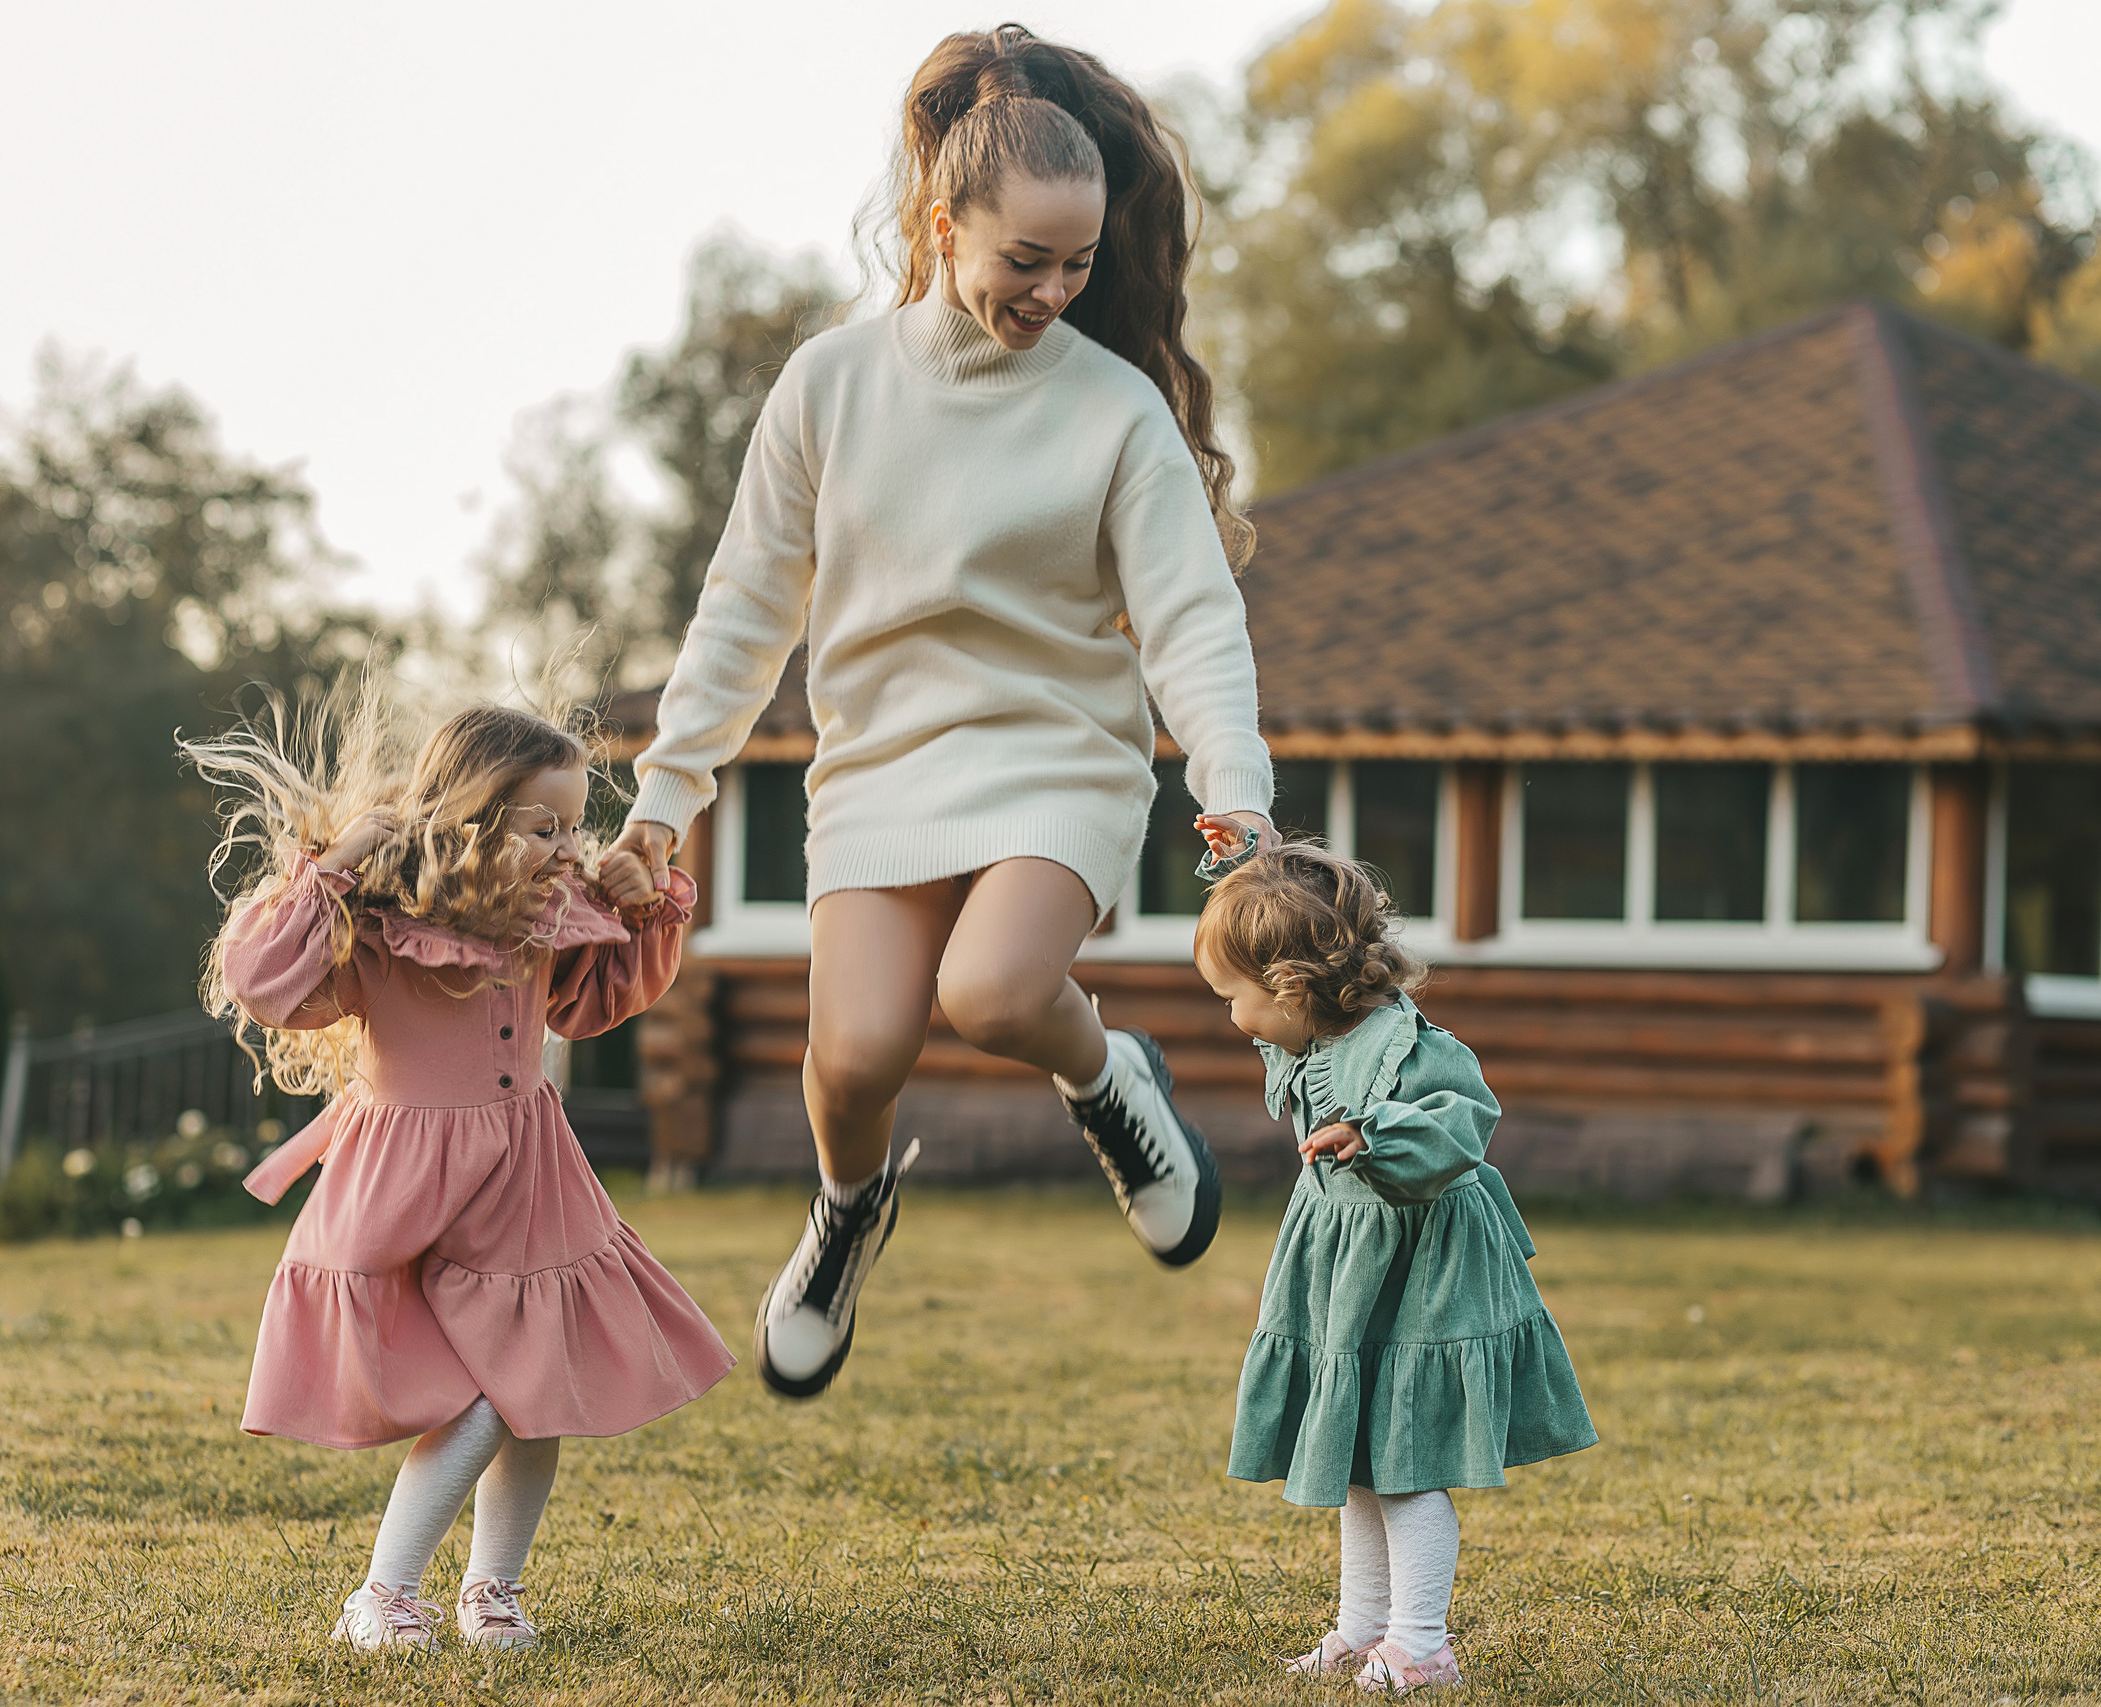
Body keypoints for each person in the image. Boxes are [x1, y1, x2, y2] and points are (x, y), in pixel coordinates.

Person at [608, 23, 1280, 1400]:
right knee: (850, 1061)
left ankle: (1113, 1084)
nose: (1053, 290)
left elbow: (1193, 617)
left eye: (1079, 262)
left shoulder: (1114, 412)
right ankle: (850, 1211)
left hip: (1059, 754)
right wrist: (661, 800)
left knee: (991, 990)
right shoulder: (831, 385)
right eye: (1024, 260)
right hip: (881, 769)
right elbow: (746, 608)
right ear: (941, 223)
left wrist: (1237, 783)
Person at [192, 699, 734, 1651]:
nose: (571, 848)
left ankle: (491, 1588)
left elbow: (597, 1001)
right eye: (547, 827)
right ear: (479, 816)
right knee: (489, 1393)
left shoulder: (544, 917)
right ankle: (383, 1593)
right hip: (407, 1181)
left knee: (539, 1385)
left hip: (527, 1178)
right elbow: (262, 979)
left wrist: (637, 901)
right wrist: (335, 865)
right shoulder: (379, 920)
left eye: (576, 826)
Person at [1194, 840, 1597, 1694]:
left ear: (1291, 988)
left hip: (1424, 1270)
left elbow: (1465, 1120)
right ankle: (1363, 1625)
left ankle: (1423, 1642)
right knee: (1357, 1459)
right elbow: (1273, 924)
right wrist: (1242, 864)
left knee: (1405, 1455)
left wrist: (1376, 1136)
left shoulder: (1408, 1047)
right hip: (1348, 1263)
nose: (1230, 1016)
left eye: (1233, 996)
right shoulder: (1305, 1039)